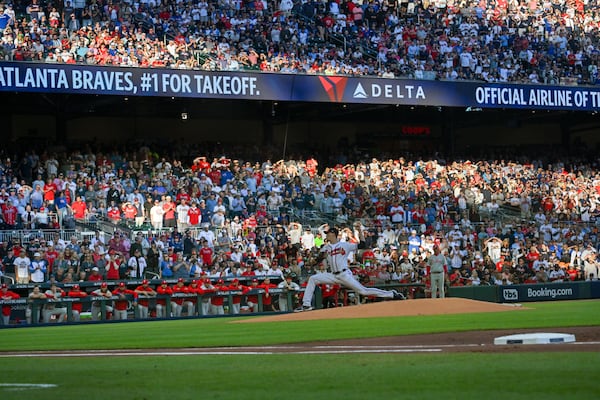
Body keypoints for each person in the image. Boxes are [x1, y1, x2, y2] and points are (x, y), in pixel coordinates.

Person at [295, 227, 404, 312]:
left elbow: (362, 244)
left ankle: (391, 294)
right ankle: (306, 305)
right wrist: (312, 262)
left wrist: (359, 231)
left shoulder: (344, 245)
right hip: (333, 275)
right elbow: (318, 260)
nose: (326, 234)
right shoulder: (326, 248)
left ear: (333, 234)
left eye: (328, 233)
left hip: (344, 274)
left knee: (363, 291)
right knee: (313, 279)